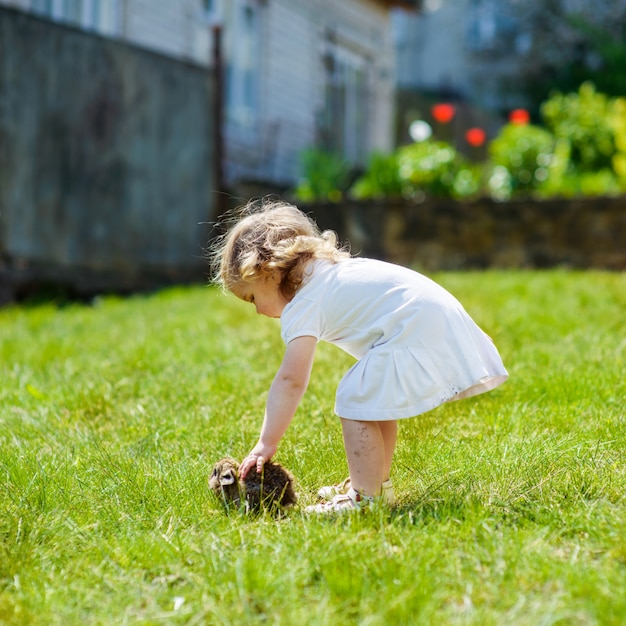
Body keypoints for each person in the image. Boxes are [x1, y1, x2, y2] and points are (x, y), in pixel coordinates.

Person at [210, 199, 508, 514]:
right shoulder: (324, 273)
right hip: (427, 319)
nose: (257, 310)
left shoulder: (303, 302)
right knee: (373, 398)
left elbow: (291, 379)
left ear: (268, 271)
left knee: (356, 395)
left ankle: (365, 500)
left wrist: (266, 443)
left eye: (252, 297)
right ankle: (373, 486)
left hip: (416, 327)